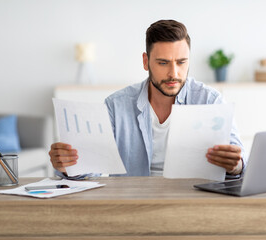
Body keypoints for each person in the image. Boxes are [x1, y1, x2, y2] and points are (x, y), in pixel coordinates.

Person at [49, 19, 246, 179]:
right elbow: (92, 168)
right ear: (146, 61)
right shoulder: (116, 105)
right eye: (163, 63)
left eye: (181, 62)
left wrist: (235, 165)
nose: (173, 73)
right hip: (133, 205)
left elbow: (241, 163)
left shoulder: (210, 101)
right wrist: (69, 167)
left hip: (192, 202)